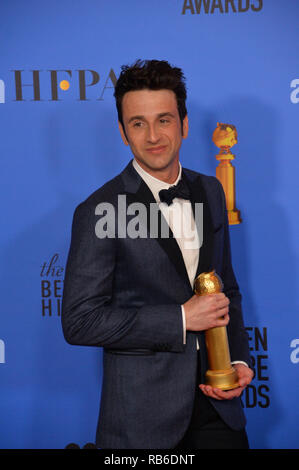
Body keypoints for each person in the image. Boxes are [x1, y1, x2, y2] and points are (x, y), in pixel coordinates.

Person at [61, 59, 253, 449]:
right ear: (122, 132)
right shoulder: (100, 210)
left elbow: (226, 288)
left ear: (184, 124)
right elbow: (80, 322)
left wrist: (237, 361)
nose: (152, 136)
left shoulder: (211, 192)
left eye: (164, 120)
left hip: (219, 412)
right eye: (138, 123)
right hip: (142, 423)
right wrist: (182, 317)